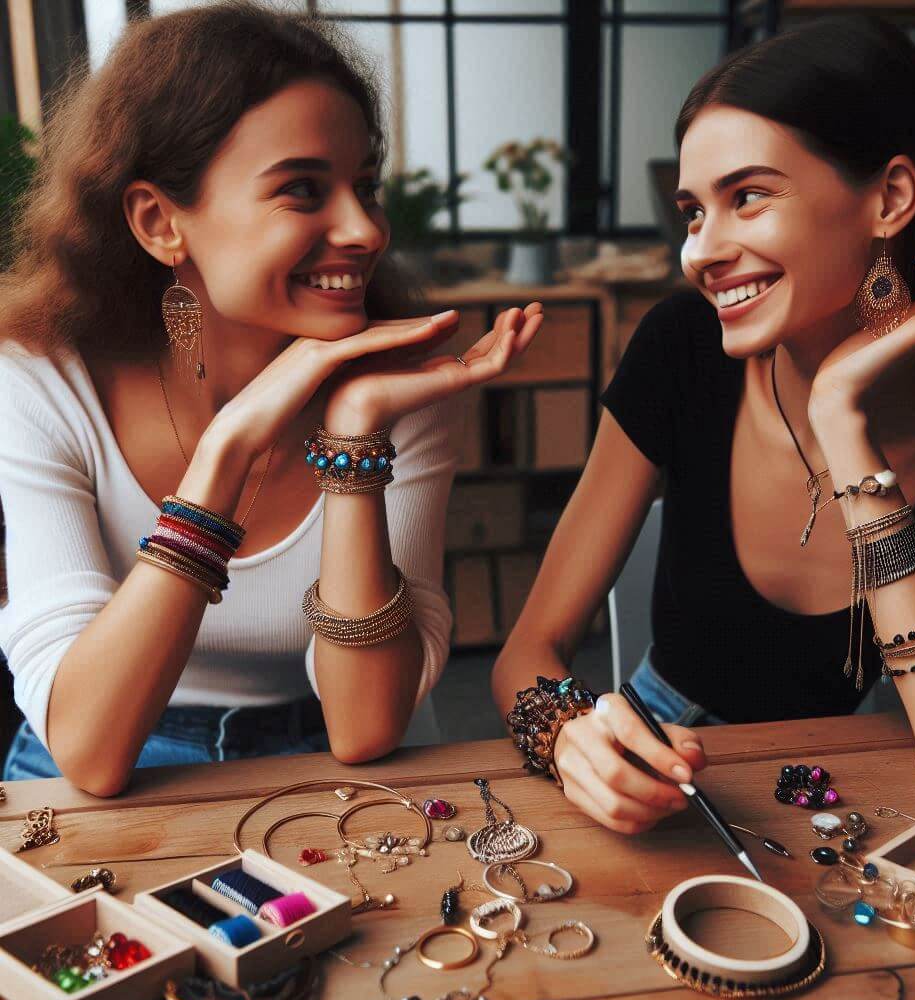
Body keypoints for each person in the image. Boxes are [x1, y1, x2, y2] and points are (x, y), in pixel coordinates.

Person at [494, 14, 915, 834]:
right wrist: (572, 740)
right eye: (693, 211)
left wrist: (842, 418)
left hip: (836, 796)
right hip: (644, 763)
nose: (699, 250)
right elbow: (526, 656)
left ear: (889, 198)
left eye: (747, 197)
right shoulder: (680, 349)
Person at [0, 2, 543, 795]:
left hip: (335, 768)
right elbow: (90, 747)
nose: (364, 229)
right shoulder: (45, 378)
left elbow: (364, 728)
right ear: (159, 222)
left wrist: (356, 434)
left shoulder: (400, 389)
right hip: (104, 779)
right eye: (301, 190)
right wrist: (227, 451)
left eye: (366, 186)